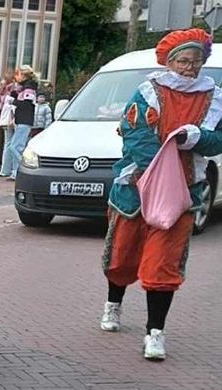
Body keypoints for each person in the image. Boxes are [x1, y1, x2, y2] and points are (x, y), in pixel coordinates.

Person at [100, 28, 222, 361]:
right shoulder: (148, 92)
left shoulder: (214, 98)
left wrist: (196, 138)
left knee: (163, 263)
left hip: (183, 193)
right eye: (184, 61)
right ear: (170, 61)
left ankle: (155, 333)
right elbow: (134, 134)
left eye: (196, 61)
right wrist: (159, 169)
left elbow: (218, 140)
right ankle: (113, 303)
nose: (190, 68)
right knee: (122, 256)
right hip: (136, 188)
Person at [0, 66, 38, 180]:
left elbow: (27, 104)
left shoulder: (29, 89)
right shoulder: (23, 88)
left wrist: (13, 101)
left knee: (15, 146)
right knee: (15, 146)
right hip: (20, 119)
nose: (16, 76)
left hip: (25, 120)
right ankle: (15, 172)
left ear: (24, 75)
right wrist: (13, 91)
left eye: (18, 74)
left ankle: (24, 169)